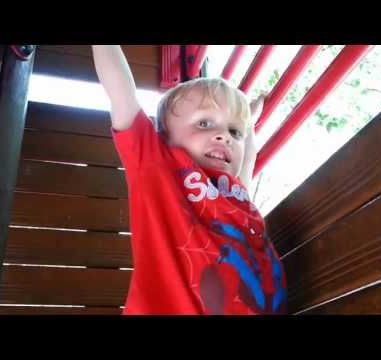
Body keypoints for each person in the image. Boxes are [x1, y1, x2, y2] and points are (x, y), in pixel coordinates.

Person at [92, 45, 287, 314]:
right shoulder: (156, 167)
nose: (224, 136)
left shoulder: (236, 193)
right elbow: (121, 92)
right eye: (204, 123)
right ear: (165, 138)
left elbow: (247, 158)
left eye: (233, 131)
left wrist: (248, 124)